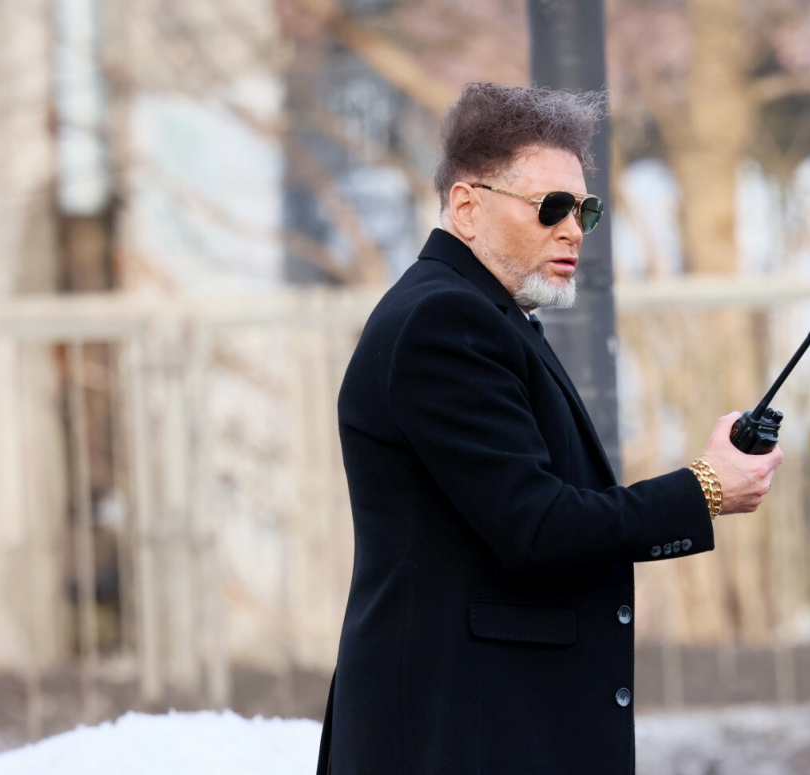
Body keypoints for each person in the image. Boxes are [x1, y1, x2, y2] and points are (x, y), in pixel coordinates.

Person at [316, 82, 785, 775]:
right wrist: (706, 487)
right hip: (453, 737)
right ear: (466, 207)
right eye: (550, 207)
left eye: (584, 209)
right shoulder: (444, 322)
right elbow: (537, 527)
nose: (573, 229)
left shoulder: (481, 315)